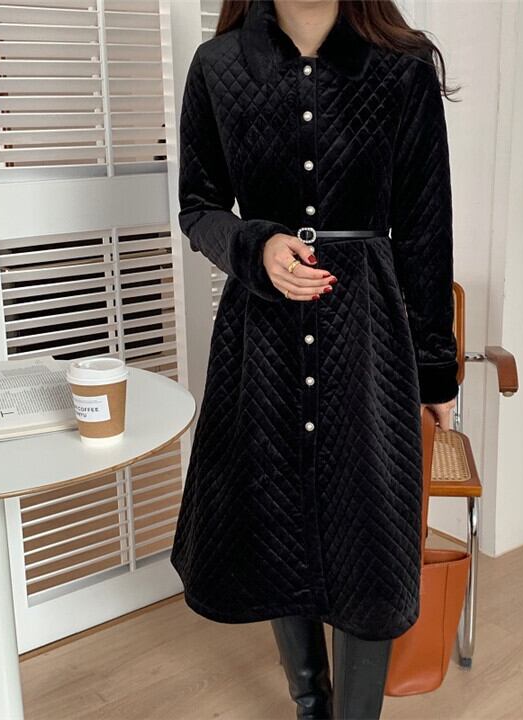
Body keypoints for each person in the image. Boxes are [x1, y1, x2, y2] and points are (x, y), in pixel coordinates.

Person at [170, 1, 460, 717]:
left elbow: (425, 228)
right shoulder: (219, 65)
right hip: (260, 334)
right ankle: (311, 705)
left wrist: (434, 370)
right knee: (276, 513)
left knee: (369, 528)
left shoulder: (402, 69)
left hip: (369, 335)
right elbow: (199, 205)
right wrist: (255, 246)